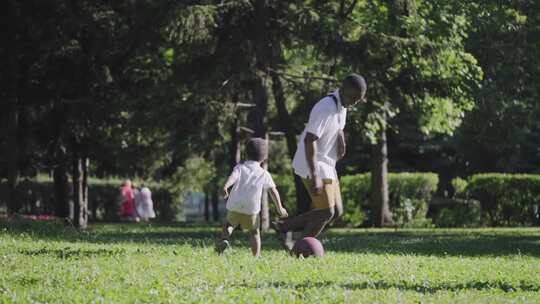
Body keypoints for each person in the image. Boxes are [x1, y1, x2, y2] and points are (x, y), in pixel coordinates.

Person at [272, 74, 367, 251]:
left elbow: (337, 126)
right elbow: (310, 140)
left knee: (336, 211)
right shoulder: (326, 107)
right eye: (353, 97)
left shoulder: (342, 107)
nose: (354, 103)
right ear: (343, 88)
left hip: (327, 164)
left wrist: (340, 138)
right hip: (313, 164)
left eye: (358, 100)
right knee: (327, 212)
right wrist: (315, 175)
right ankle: (288, 232)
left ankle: (295, 238)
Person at [216, 138, 288, 257]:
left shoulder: (240, 168)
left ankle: (225, 238)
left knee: (229, 225)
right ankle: (256, 256)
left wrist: (225, 186)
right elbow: (273, 190)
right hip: (251, 208)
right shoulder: (264, 173)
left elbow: (232, 177)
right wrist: (280, 207)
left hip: (235, 205)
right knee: (254, 232)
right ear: (264, 158)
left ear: (246, 153)